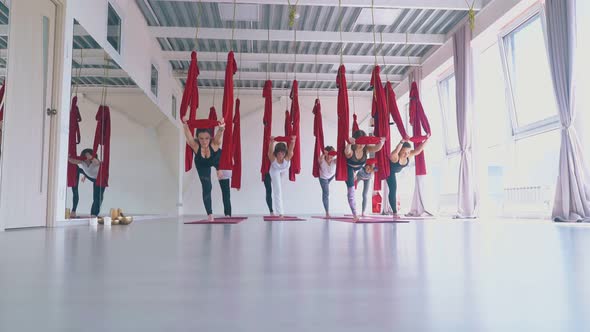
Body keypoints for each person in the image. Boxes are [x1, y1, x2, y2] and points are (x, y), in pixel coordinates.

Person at [182, 116, 231, 221]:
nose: (204, 141)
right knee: (207, 187)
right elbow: (188, 136)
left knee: (225, 188)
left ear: (210, 138)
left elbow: (219, 134)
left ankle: (228, 213)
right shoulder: (195, 146)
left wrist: (221, 126)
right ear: (198, 138)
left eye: (207, 138)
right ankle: (210, 214)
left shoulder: (215, 143)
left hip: (219, 161)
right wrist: (185, 124)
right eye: (201, 138)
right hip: (202, 163)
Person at [344, 130, 385, 221]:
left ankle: (362, 211)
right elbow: (347, 153)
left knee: (364, 193)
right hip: (348, 170)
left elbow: (376, 148)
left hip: (358, 171)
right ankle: (355, 214)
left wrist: (381, 141)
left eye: (363, 143)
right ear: (355, 142)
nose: (361, 145)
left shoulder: (366, 149)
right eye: (359, 143)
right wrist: (349, 144)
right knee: (351, 192)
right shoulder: (351, 149)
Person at [387, 139, 428, 217]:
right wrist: (401, 142)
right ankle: (394, 213)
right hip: (390, 172)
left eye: (408, 152)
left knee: (395, 189)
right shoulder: (395, 156)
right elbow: (396, 151)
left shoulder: (408, 154)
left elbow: (418, 150)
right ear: (400, 151)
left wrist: (427, 140)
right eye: (404, 152)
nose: (407, 154)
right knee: (393, 190)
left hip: (397, 171)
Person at [68, 148, 105, 217]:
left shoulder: (95, 162)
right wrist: (68, 157)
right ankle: (92, 214)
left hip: (100, 179)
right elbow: (73, 161)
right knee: (78, 169)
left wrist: (91, 157)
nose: (86, 159)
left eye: (87, 157)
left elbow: (96, 162)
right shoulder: (83, 162)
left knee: (98, 197)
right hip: (91, 177)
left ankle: (94, 214)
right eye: (84, 156)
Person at [267, 136, 296, 218]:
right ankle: (280, 213)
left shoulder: (288, 156)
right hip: (274, 170)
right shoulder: (272, 158)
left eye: (282, 154)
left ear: (285, 153)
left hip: (284, 169)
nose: (280, 155)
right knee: (278, 191)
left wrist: (293, 141)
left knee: (280, 188)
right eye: (278, 153)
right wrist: (272, 142)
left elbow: (291, 149)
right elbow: (270, 151)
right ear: (276, 153)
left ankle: (280, 211)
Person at [318, 146, 337, 218]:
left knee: (326, 191)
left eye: (332, 155)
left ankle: (327, 212)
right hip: (323, 178)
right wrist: (323, 153)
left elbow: (342, 158)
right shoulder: (322, 159)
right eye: (328, 155)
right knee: (326, 193)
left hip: (331, 176)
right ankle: (327, 213)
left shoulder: (334, 161)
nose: (330, 157)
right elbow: (319, 159)